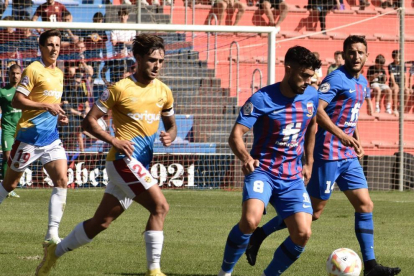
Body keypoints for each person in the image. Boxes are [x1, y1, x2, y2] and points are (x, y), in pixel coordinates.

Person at [245, 35, 402, 276]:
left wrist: (355, 140)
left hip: (347, 154)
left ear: (367, 55)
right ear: (344, 53)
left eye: (360, 52)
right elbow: (317, 111)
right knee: (314, 213)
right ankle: (260, 234)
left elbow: (351, 114)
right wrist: (341, 135)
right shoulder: (336, 79)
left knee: (365, 204)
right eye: (351, 52)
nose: (356, 56)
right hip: (328, 153)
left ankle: (371, 266)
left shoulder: (362, 83)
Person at [35, 33, 177, 276]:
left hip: (140, 164)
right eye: (152, 60)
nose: (157, 66)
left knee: (100, 223)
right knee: (160, 206)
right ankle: (154, 271)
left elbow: (171, 126)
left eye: (161, 61)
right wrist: (114, 140)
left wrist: (170, 136)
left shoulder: (164, 92)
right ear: (139, 58)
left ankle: (53, 254)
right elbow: (88, 122)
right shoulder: (119, 89)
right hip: (123, 162)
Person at [217, 46, 321, 276]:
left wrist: (309, 161)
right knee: (250, 220)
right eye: (304, 76)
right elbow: (236, 135)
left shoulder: (312, 95)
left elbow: (313, 125)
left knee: (303, 233)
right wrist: (245, 157)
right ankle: (225, 273)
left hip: (292, 177)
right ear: (288, 68)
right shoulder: (262, 99)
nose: (307, 81)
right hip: (263, 171)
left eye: (310, 77)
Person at [0, 29, 69, 245]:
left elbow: (52, 105)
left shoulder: (59, 73)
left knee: (62, 180)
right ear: (41, 47)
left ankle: (52, 234)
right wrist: (46, 105)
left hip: (51, 138)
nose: (54, 48)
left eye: (57, 44)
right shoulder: (33, 70)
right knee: (10, 185)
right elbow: (17, 101)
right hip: (28, 137)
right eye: (50, 44)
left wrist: (59, 114)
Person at [0, 64, 22, 198]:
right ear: (8, 75)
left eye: (18, 73)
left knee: (17, 158)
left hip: (22, 129)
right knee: (8, 157)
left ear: (21, 74)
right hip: (8, 129)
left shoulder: (26, 91)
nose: (15, 76)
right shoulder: (2, 92)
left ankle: (10, 185)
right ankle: (6, 188)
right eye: (13, 73)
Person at [388, 50, 410, 116]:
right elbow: (391, 76)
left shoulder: (403, 65)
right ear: (393, 57)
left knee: (407, 91)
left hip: (401, 84)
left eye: (400, 57)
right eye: (397, 57)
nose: (398, 58)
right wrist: (394, 84)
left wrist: (405, 86)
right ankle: (395, 109)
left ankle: (401, 109)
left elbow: (405, 76)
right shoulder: (391, 65)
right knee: (396, 90)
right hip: (393, 84)